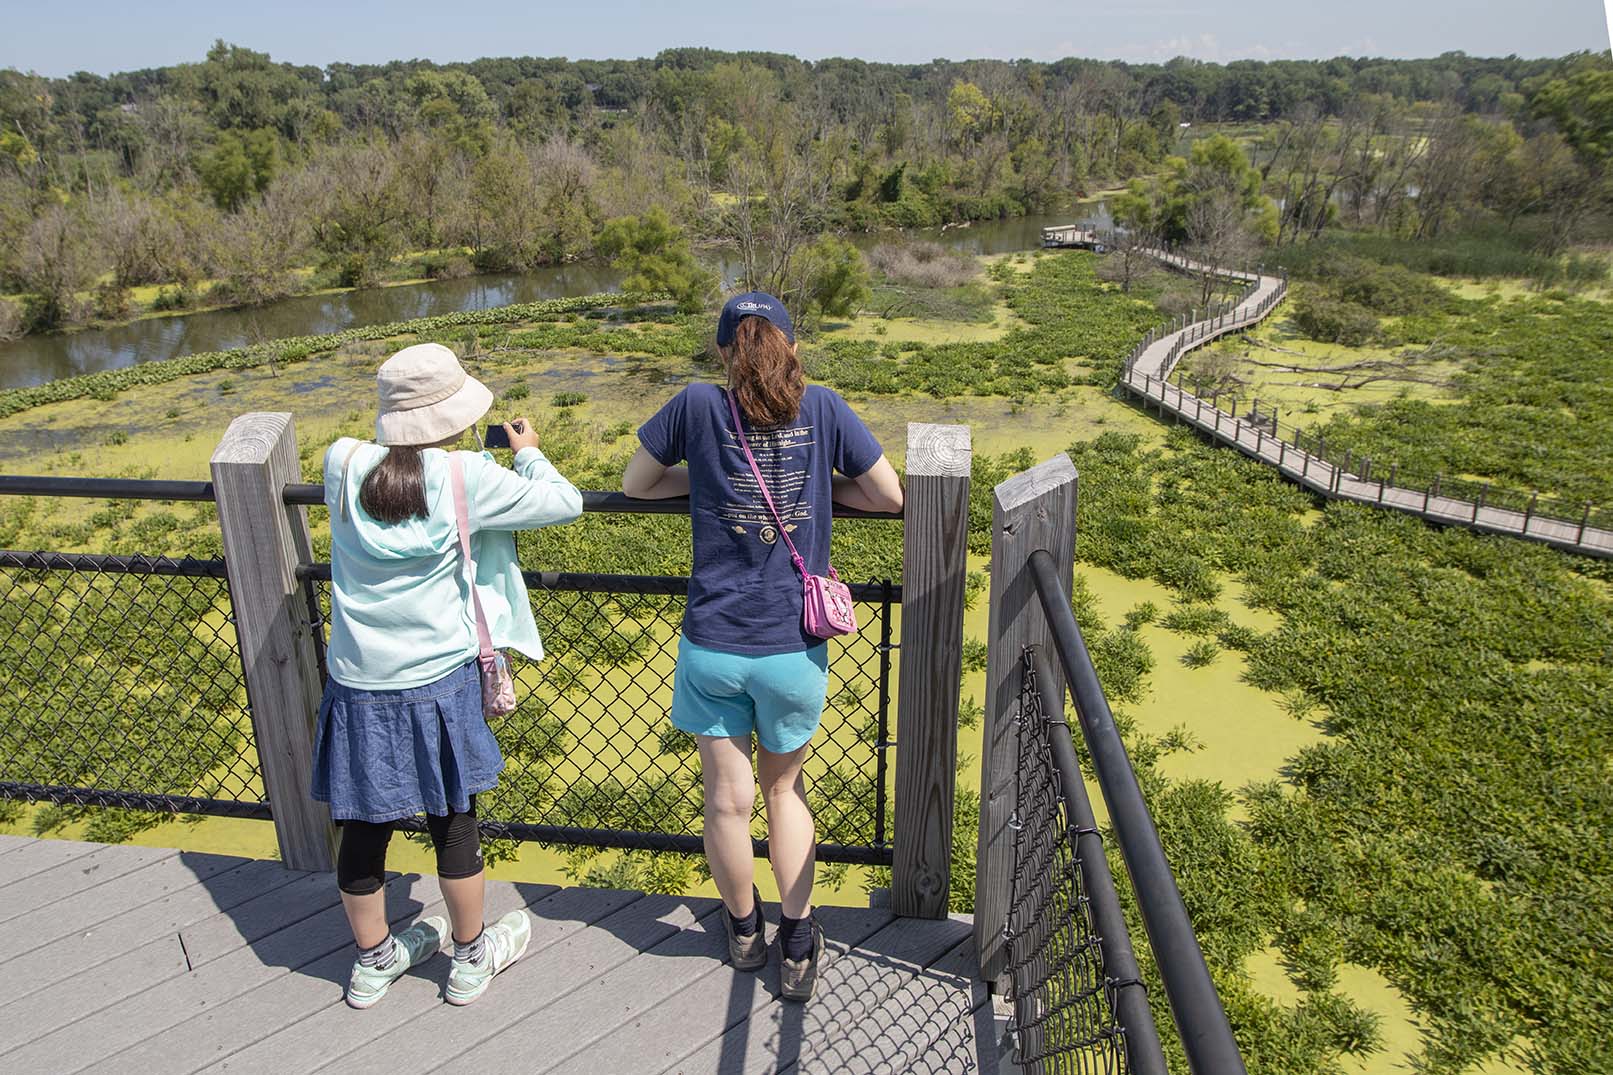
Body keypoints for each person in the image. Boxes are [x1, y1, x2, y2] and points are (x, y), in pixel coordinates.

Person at [622, 292, 904, 1001]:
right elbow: (889, 495)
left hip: (712, 641)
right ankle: (799, 939)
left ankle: (743, 930)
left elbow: (636, 483)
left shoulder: (694, 404)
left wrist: (709, 486)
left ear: (724, 351)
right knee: (784, 790)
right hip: (792, 645)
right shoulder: (826, 408)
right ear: (791, 348)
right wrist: (821, 494)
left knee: (725, 800)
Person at [313, 341, 582, 1009]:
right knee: (454, 817)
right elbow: (563, 501)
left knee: (363, 820)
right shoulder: (465, 474)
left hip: (358, 682)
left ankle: (374, 961)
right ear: (453, 414)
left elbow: (395, 480)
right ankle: (469, 957)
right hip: (438, 679)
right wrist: (526, 452)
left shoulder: (340, 462)